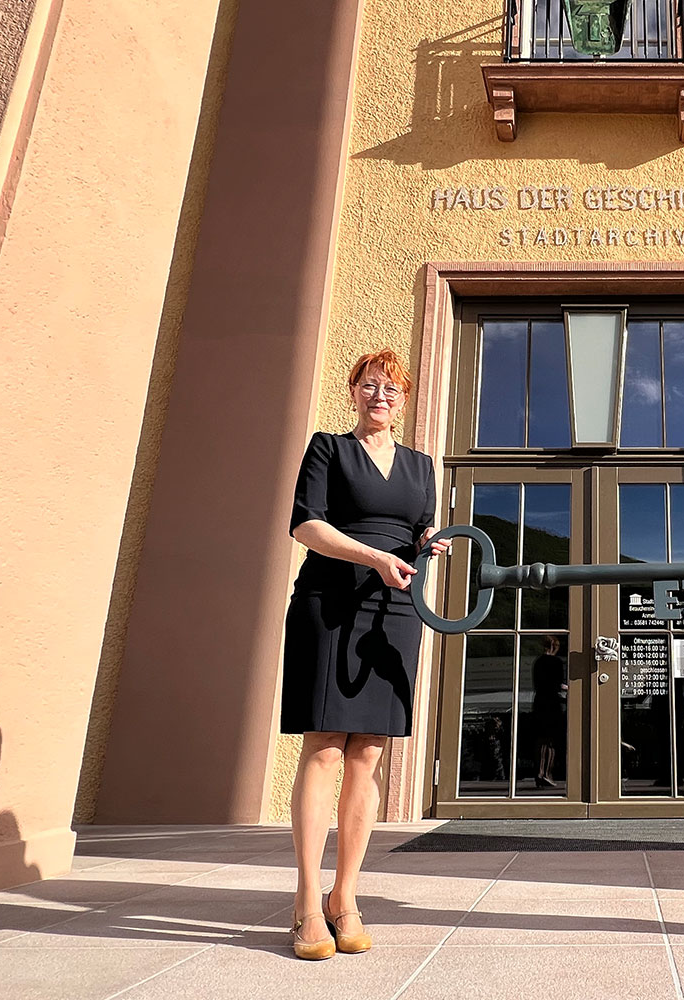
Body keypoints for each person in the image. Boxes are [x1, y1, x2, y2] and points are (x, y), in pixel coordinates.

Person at [280, 349, 449, 960]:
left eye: (392, 390)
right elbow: (307, 527)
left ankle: (343, 897)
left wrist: (432, 543)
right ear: (353, 391)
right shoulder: (328, 449)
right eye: (370, 386)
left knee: (368, 752)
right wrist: (375, 557)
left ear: (403, 402)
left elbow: (422, 530)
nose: (380, 396)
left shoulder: (421, 466)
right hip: (329, 601)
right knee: (325, 744)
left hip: (395, 612)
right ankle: (305, 901)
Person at [529, 635, 567, 789]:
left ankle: (540, 773)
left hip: (539, 701)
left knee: (541, 738)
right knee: (550, 740)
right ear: (554, 647)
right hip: (552, 703)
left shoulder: (538, 662)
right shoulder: (555, 662)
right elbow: (557, 684)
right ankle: (546, 773)